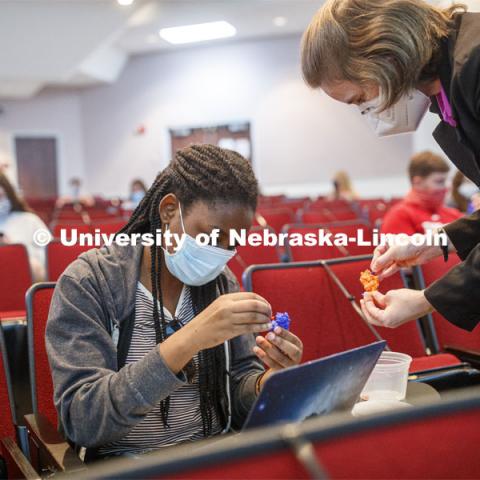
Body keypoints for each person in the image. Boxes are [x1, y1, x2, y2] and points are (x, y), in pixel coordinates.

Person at [46, 144, 303, 458]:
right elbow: (82, 420)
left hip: (215, 456)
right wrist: (189, 340)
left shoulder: (222, 283)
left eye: (232, 243)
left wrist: (267, 383)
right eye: (211, 236)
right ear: (169, 210)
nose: (219, 253)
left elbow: (236, 394)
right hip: (125, 465)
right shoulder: (90, 282)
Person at [301, 0, 480, 332]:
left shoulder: (475, 63)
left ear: (385, 56)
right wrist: (436, 241)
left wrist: (428, 299)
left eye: (359, 99)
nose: (365, 111)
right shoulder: (450, 87)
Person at [381, 151, 462, 236]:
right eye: (439, 181)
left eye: (447, 180)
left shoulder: (454, 214)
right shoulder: (399, 216)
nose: (446, 187)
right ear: (418, 183)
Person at [0, 173, 49, 281]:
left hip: (25, 283)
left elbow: (51, 262)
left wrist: (15, 252)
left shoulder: (30, 221)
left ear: (8, 192)